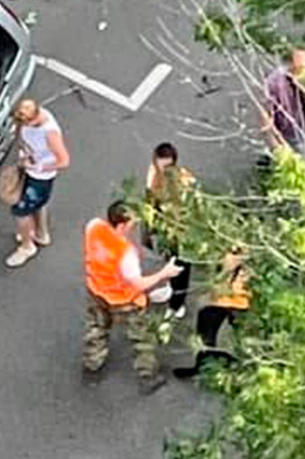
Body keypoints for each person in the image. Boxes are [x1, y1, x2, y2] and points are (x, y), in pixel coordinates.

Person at [82, 201, 184, 394]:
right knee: (142, 339)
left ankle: (92, 363)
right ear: (122, 225)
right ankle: (148, 376)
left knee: (96, 328)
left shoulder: (94, 227)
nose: (134, 226)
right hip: (124, 301)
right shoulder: (125, 253)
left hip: (96, 290)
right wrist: (164, 273)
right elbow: (138, 284)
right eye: (132, 223)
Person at [7, 98, 70, 268]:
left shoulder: (49, 132)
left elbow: (64, 160)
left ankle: (27, 246)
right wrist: (23, 153)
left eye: (26, 123)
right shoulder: (28, 120)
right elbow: (22, 135)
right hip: (30, 169)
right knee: (38, 204)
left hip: (41, 176)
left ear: (34, 118)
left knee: (21, 211)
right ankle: (41, 233)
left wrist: (38, 166)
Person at [173, 247, 252, 378]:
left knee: (213, 317)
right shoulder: (229, 259)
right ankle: (203, 362)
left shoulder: (249, 266)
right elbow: (219, 286)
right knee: (205, 316)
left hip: (241, 304)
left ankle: (234, 365)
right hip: (226, 301)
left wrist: (230, 267)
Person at [144, 142, 196, 319]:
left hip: (181, 230)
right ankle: (172, 288)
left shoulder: (182, 178)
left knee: (181, 267)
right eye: (161, 161)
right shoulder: (152, 173)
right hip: (165, 228)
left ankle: (177, 303)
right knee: (170, 261)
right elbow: (149, 201)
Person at [261, 48, 305, 162]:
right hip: (281, 128)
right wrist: (271, 138)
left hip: (304, 129)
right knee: (277, 158)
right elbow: (265, 111)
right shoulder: (275, 81)